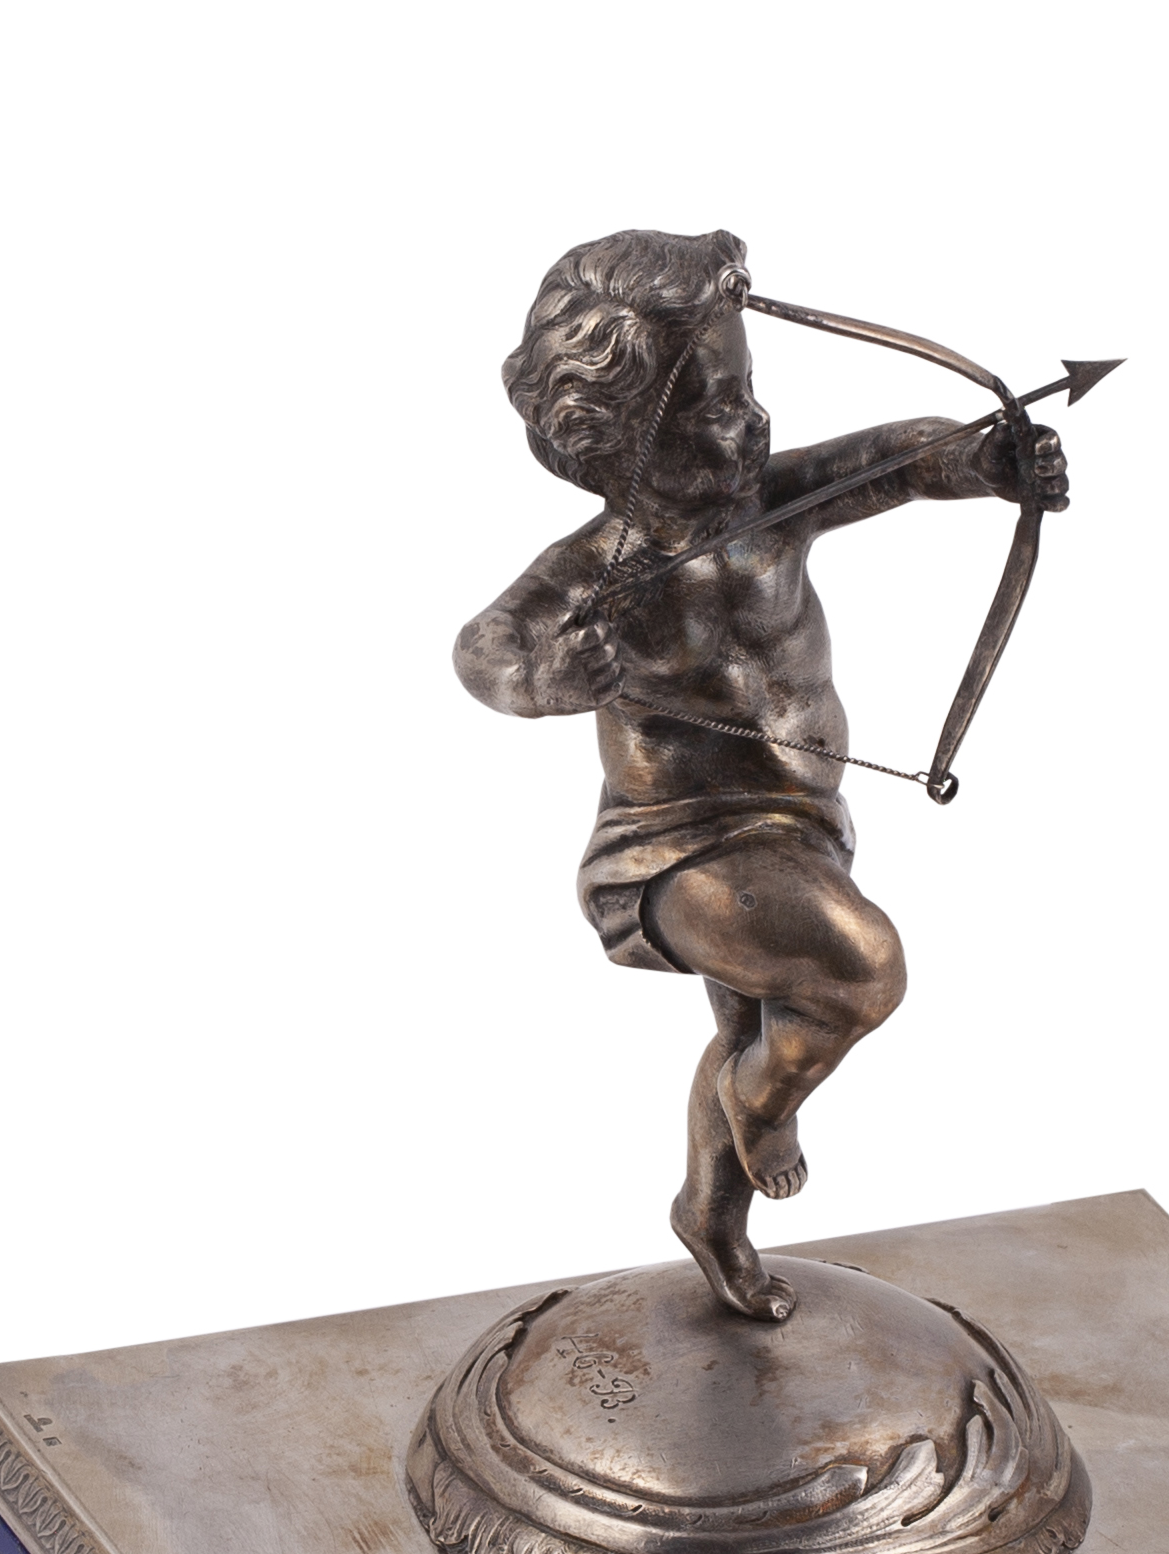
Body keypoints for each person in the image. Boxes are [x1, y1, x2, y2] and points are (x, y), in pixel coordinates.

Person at [455, 227, 1068, 1320]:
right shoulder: (592, 572)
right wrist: (549, 675)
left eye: (744, 393)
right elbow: (489, 648)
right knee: (860, 969)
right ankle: (761, 1110)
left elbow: (890, 462)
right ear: (613, 440)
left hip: (797, 822)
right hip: (674, 849)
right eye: (706, 409)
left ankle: (710, 1213)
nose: (745, 423)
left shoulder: (768, 508)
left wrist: (980, 462)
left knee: (753, 1029)